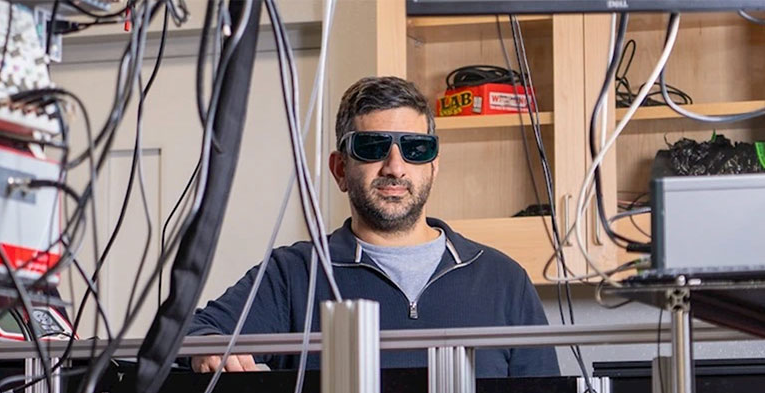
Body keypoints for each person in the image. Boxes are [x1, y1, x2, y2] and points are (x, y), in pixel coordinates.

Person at [188, 76, 558, 377]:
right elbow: (189, 336)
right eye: (373, 146)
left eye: (415, 149)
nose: (395, 167)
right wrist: (209, 349)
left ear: (434, 166)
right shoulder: (295, 275)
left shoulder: (501, 279)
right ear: (339, 170)